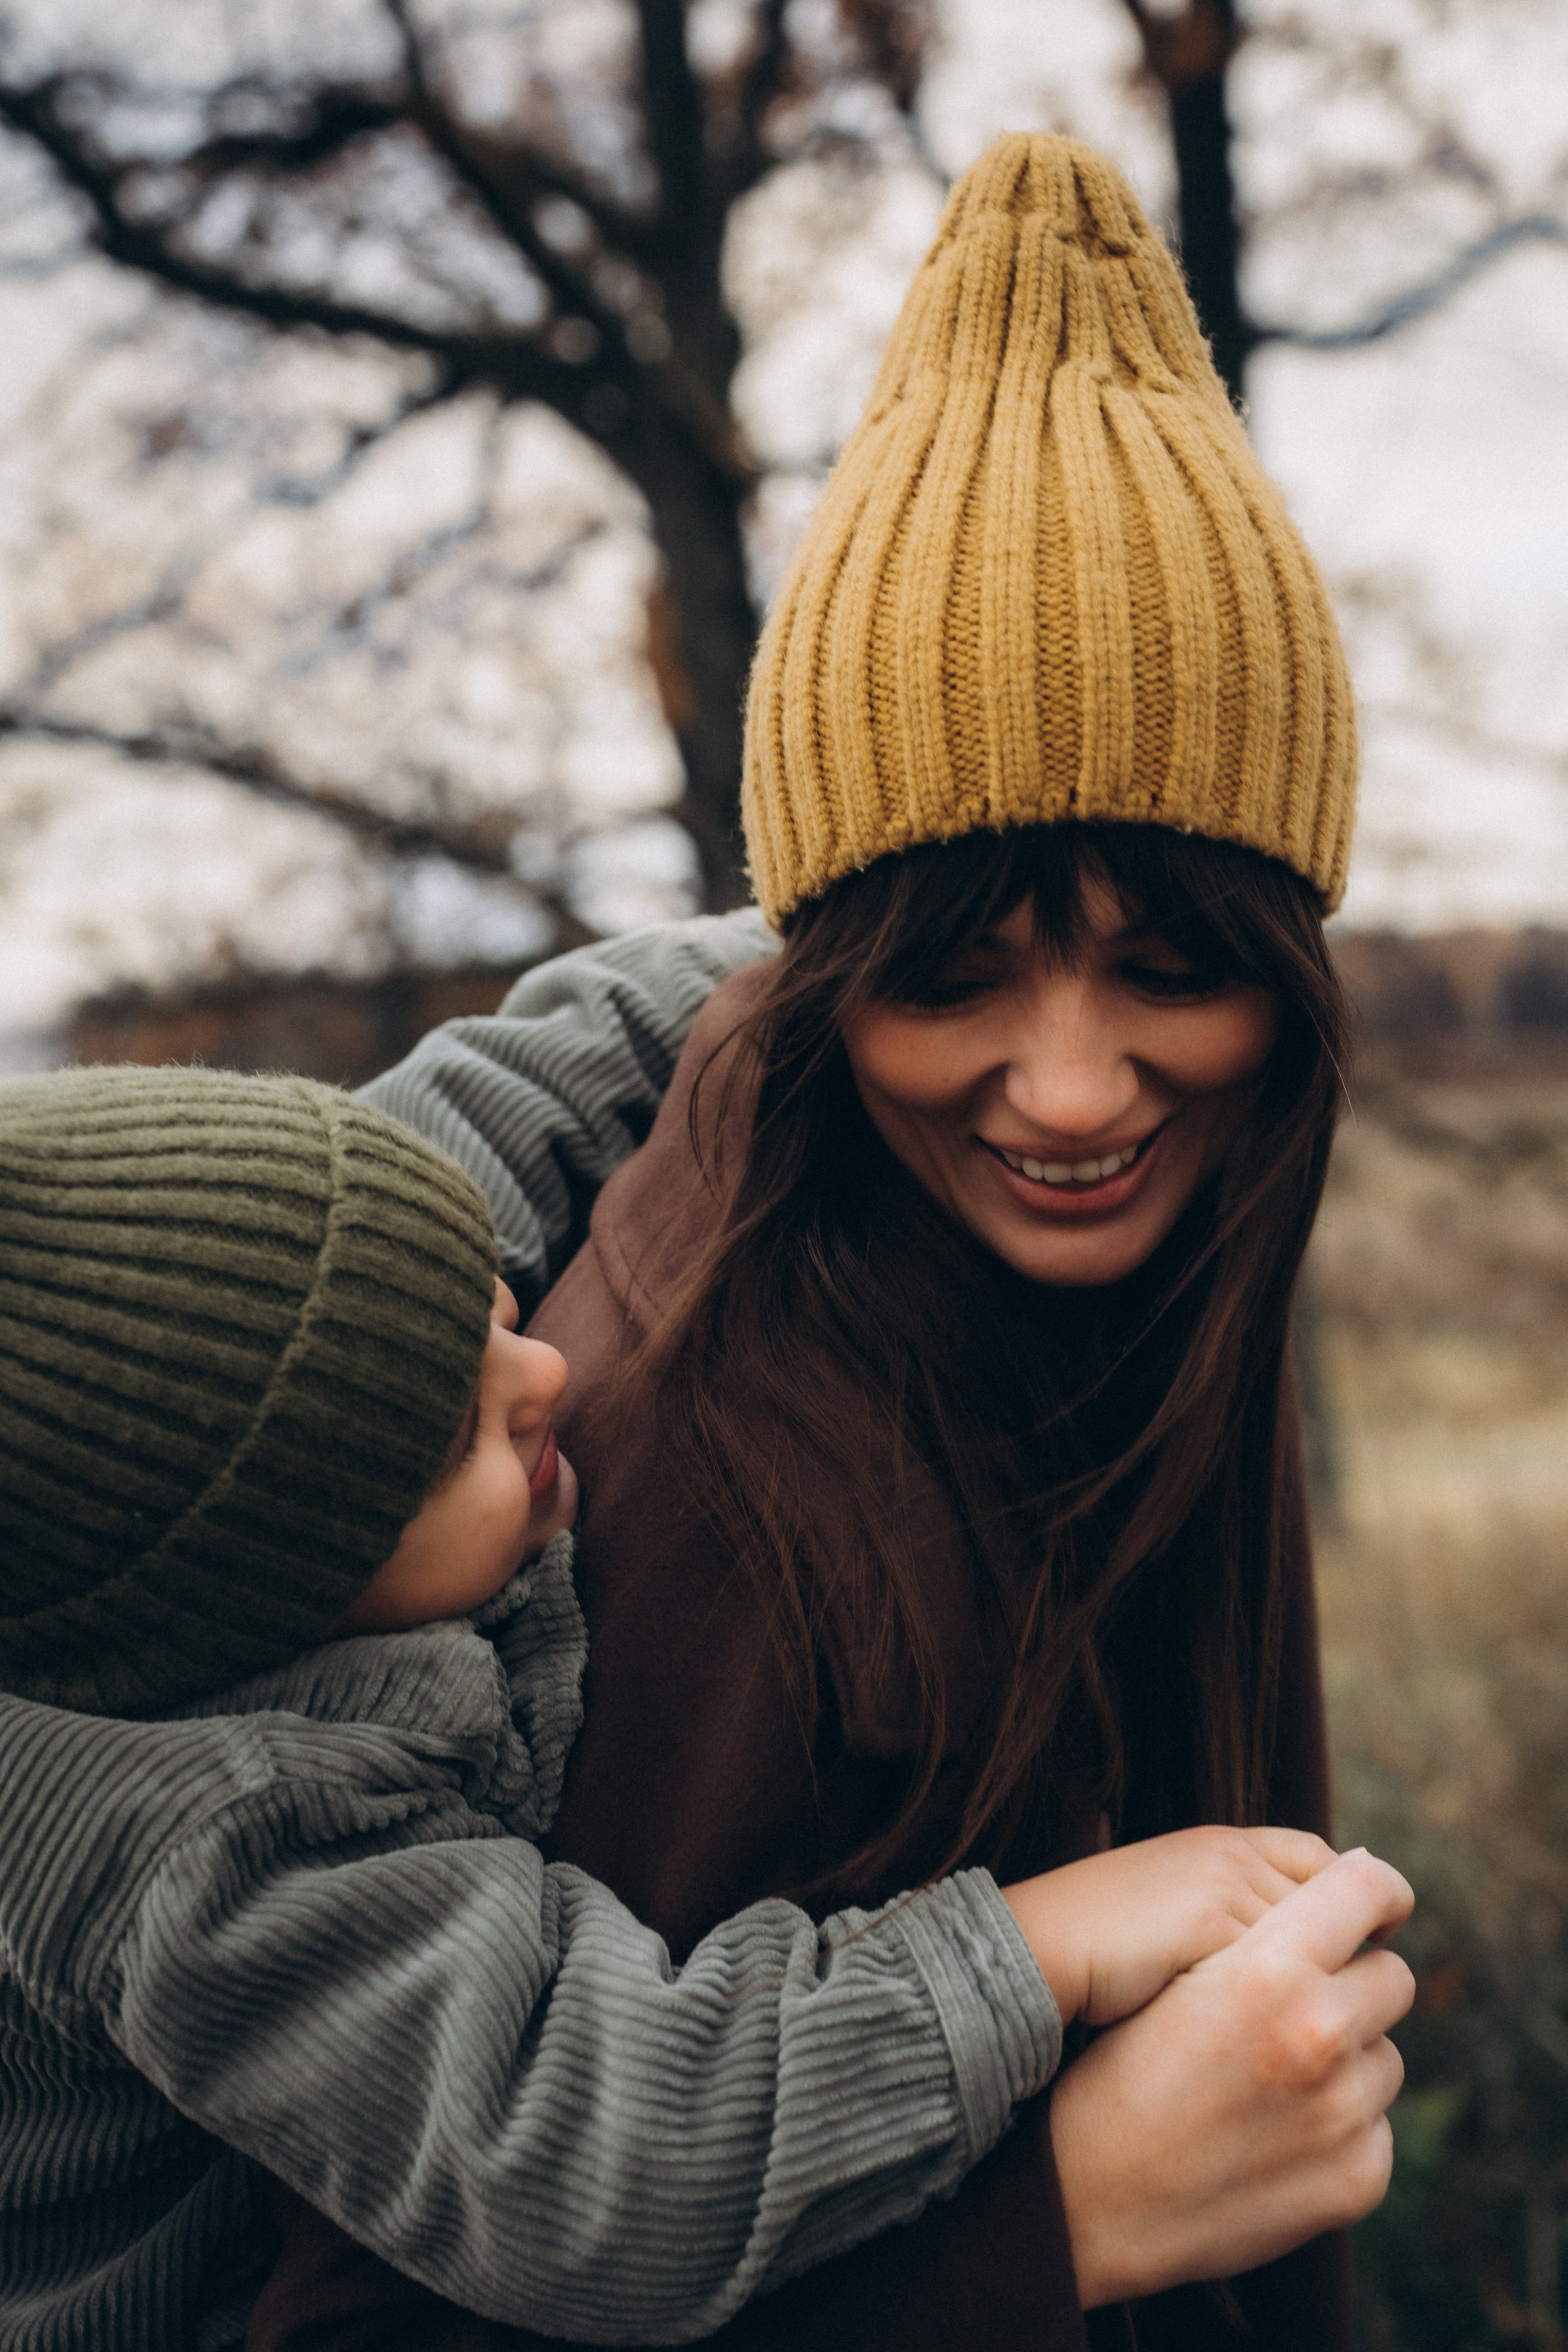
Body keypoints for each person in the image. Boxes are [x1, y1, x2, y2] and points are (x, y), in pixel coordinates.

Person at [255, 132, 1416, 2351]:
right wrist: (1051, 2228)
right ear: (819, 970)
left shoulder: (1178, 1257)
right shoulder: (675, 1472)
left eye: (1167, 963)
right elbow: (357, 2315)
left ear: (1294, 959)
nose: (1073, 1091)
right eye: (955, 976)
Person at [0, 1062, 1387, 2352]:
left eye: (483, 1302)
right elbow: (598, 2149)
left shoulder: (330, 1272)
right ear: (266, 1603)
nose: (542, 1371)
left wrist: (866, 961)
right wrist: (1025, 1954)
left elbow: (543, 1061)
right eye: (451, 1435)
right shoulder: (221, 1850)